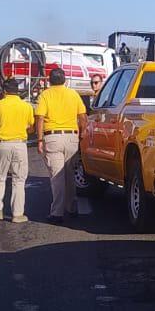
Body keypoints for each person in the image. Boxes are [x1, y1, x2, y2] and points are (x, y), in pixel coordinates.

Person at [34, 66, 87, 222]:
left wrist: (39, 139)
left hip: (53, 138)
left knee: (57, 177)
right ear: (64, 80)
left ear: (49, 80)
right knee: (69, 175)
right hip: (72, 138)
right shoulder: (73, 94)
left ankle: (57, 212)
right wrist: (82, 134)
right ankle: (71, 207)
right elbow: (83, 117)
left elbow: (40, 119)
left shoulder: (45, 95)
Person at [0, 78, 34, 223]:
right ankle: (17, 214)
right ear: (17, 91)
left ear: (4, 91)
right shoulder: (26, 106)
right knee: (19, 179)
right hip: (19, 144)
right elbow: (31, 127)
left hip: (2, 144)